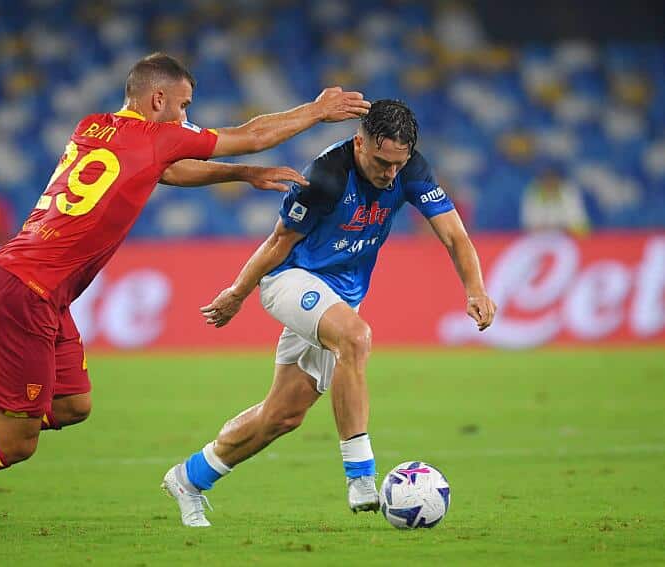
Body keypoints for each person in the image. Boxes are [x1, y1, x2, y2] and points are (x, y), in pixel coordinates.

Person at [0, 52, 371, 539]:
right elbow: (252, 133)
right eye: (184, 105)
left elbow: (166, 170)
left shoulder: (94, 126)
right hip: (26, 290)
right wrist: (317, 111)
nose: (187, 116)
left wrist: (243, 175)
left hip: (37, 286)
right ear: (158, 100)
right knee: (16, 442)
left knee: (73, 403)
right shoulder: (157, 134)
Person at [163, 99, 497, 527]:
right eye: (381, 162)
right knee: (355, 338)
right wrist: (236, 293)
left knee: (282, 415)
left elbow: (454, 234)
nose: (389, 174)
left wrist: (475, 290)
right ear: (360, 142)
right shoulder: (326, 177)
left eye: (398, 163)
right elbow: (278, 243)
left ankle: (189, 479)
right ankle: (361, 475)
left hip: (340, 296)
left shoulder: (412, 169)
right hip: (291, 280)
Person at [520, 167, 589, 235]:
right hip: (540, 238)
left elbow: (579, 221)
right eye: (546, 178)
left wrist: (560, 228)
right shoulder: (533, 191)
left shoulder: (569, 191)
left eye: (552, 178)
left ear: (559, 179)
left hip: (568, 237)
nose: (549, 182)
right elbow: (528, 224)